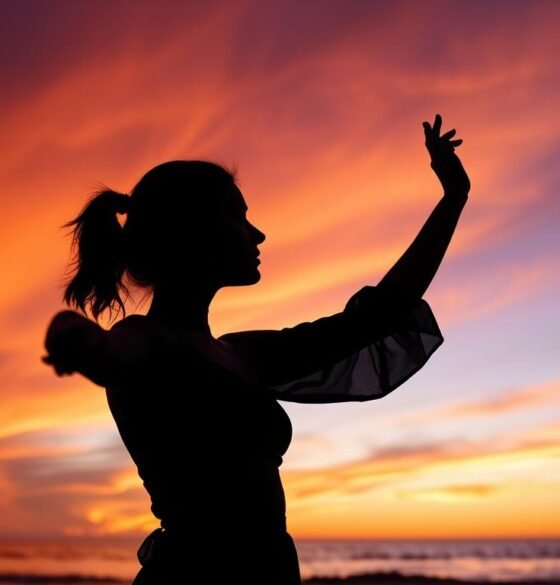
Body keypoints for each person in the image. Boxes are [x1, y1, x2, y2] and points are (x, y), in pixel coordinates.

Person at [42, 114, 469, 584]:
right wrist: (75, 340)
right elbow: (105, 348)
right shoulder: (145, 339)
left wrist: (453, 198)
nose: (257, 233)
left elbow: (373, 317)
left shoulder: (242, 354)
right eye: (238, 216)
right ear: (194, 230)